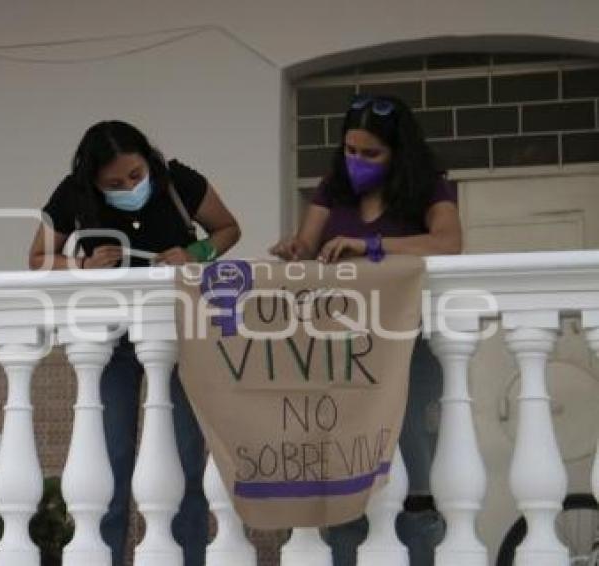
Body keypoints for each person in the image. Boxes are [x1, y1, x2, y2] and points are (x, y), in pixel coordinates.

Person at [29, 120, 241, 566]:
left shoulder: (179, 181)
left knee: (186, 454)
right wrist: (83, 265)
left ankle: (189, 557)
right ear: (92, 181)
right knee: (111, 455)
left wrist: (195, 254)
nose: (128, 186)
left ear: (150, 161)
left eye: (136, 175)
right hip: (111, 340)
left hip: (182, 333)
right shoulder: (73, 195)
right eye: (114, 184)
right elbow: (36, 258)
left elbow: (227, 229)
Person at [270, 94, 462, 566]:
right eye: (351, 150)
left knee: (414, 469)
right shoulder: (332, 188)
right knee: (346, 468)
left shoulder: (429, 188)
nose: (357, 161)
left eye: (371, 153)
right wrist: (294, 249)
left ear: (399, 153)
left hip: (407, 345)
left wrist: (371, 244)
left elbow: (448, 244)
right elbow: (309, 250)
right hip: (342, 346)